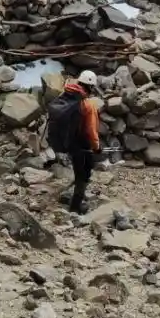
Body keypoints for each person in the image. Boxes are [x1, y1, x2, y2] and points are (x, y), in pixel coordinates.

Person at [64, 69, 101, 215]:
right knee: (84, 174)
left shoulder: (67, 95)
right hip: (82, 143)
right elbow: (91, 131)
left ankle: (74, 195)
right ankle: (75, 207)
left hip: (69, 141)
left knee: (78, 169)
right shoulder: (87, 105)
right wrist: (96, 147)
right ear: (90, 86)